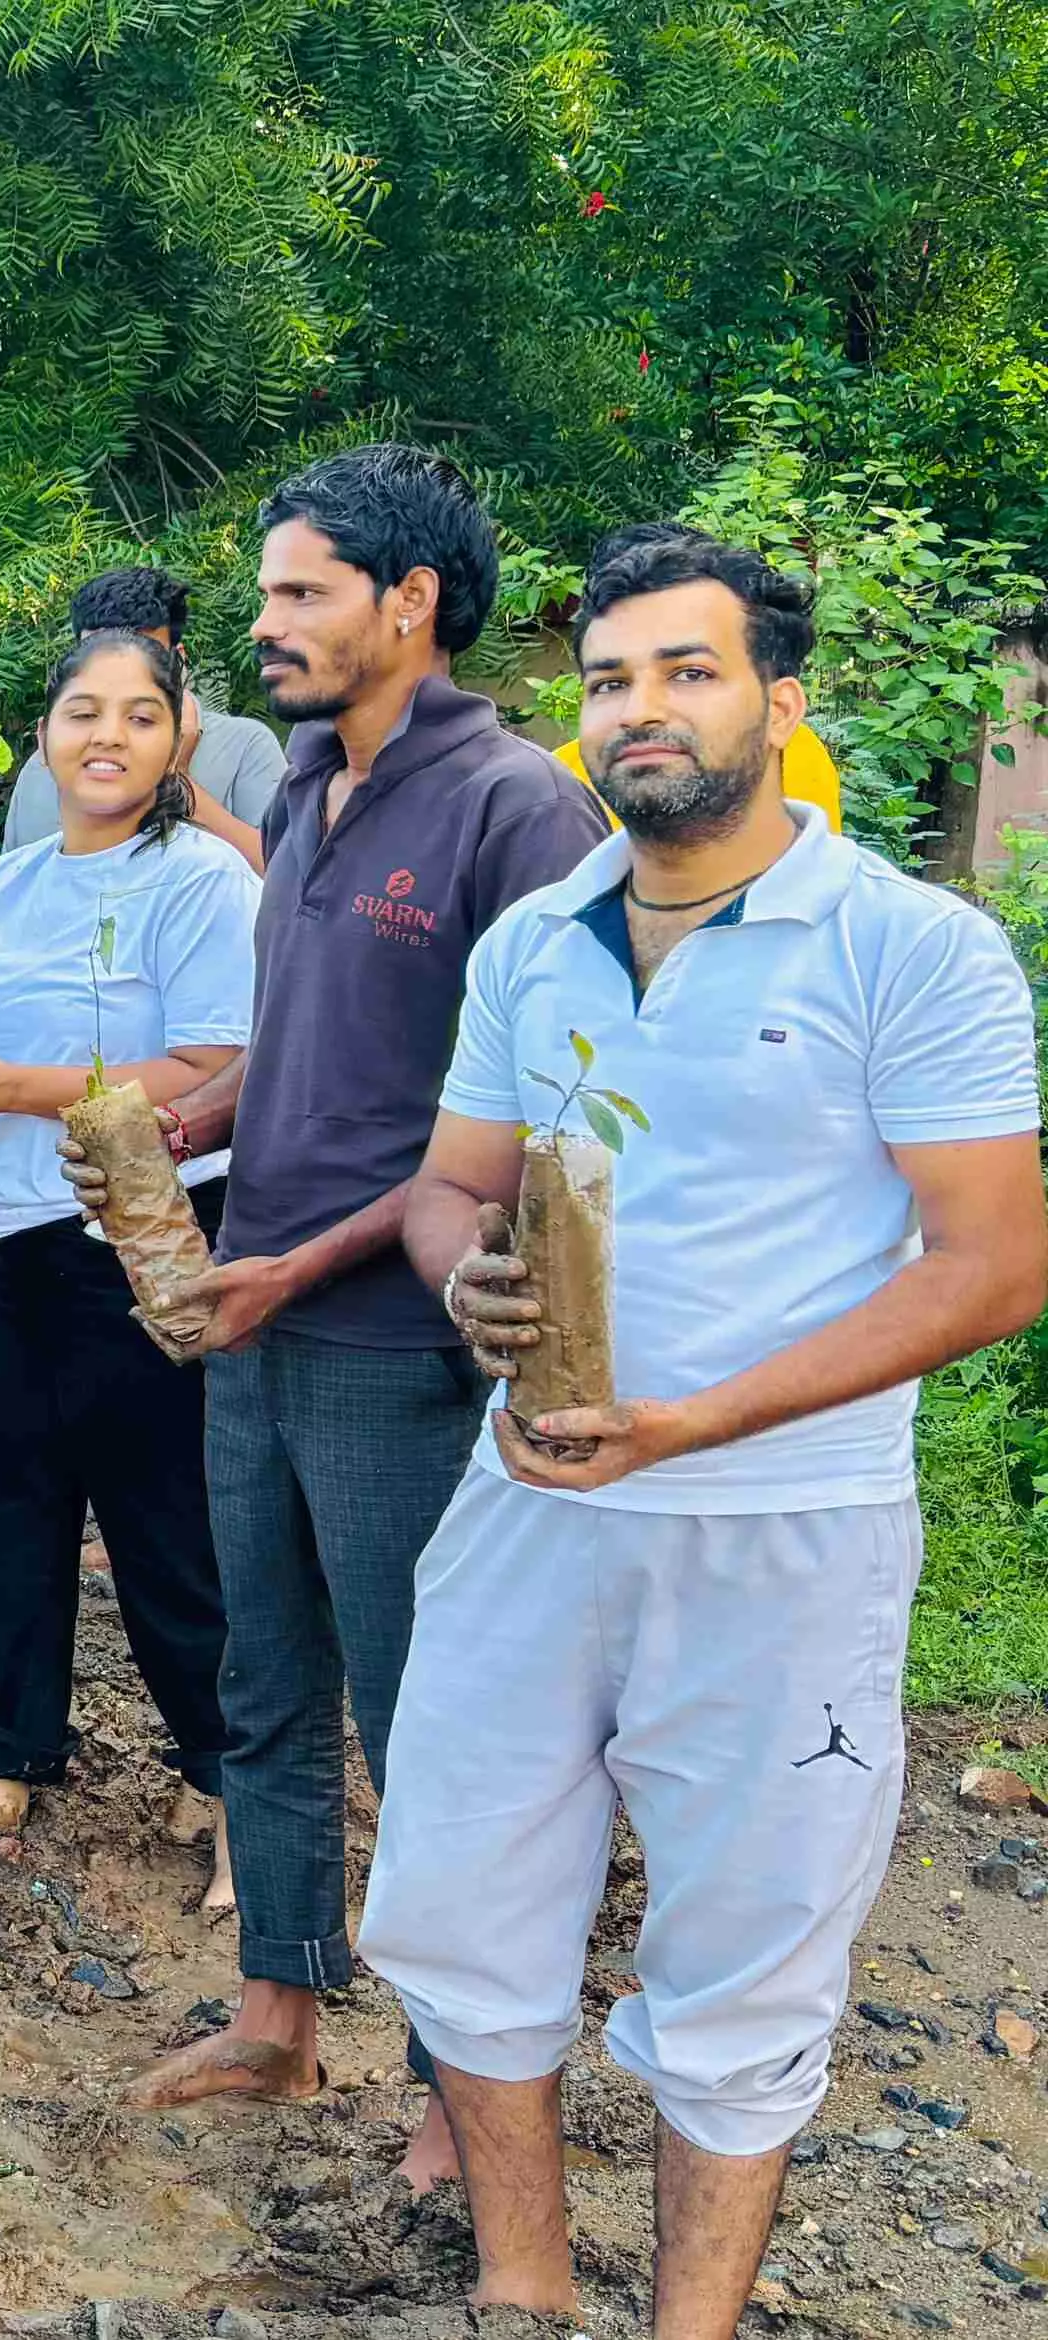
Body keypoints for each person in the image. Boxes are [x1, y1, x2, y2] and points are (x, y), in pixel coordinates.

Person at [376, 530, 1040, 2335]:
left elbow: (994, 1266)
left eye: (687, 670)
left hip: (784, 1531)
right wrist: (460, 1279)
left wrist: (700, 1421)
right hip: (530, 1507)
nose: (638, 710)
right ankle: (521, 2288)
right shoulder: (535, 942)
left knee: (749, 1955)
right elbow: (451, 1185)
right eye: (609, 679)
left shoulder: (912, 946)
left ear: (780, 699)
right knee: (459, 1898)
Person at [109, 445, 606, 2173]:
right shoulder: (309, 786)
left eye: (301, 593)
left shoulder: (519, 811)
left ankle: (468, 2090)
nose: (266, 626)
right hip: (251, 1317)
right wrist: (194, 1126)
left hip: (400, 1344)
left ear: (411, 603)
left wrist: (305, 1262)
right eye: (266, 594)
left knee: (427, 1719)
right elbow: (307, 1051)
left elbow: (528, 1129)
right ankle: (280, 2012)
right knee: (265, 1679)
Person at [0, 630, 250, 1891]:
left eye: (138, 715)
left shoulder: (201, 882)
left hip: (131, 1246)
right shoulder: (5, 883)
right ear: (43, 733)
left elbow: (212, 1072)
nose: (106, 737)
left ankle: (230, 1796)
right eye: (82, 711)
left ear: (178, 739)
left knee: (169, 1530)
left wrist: (7, 1086)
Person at [543, 519, 844, 833]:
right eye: (612, 684)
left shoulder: (792, 749)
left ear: (780, 709)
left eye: (691, 675)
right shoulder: (559, 780)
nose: (639, 712)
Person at [0, 567, 284, 869]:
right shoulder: (43, 766)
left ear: (179, 659)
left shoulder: (245, 745)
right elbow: (16, 880)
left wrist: (177, 782)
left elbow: (282, 875)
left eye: (146, 654)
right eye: (99, 654)